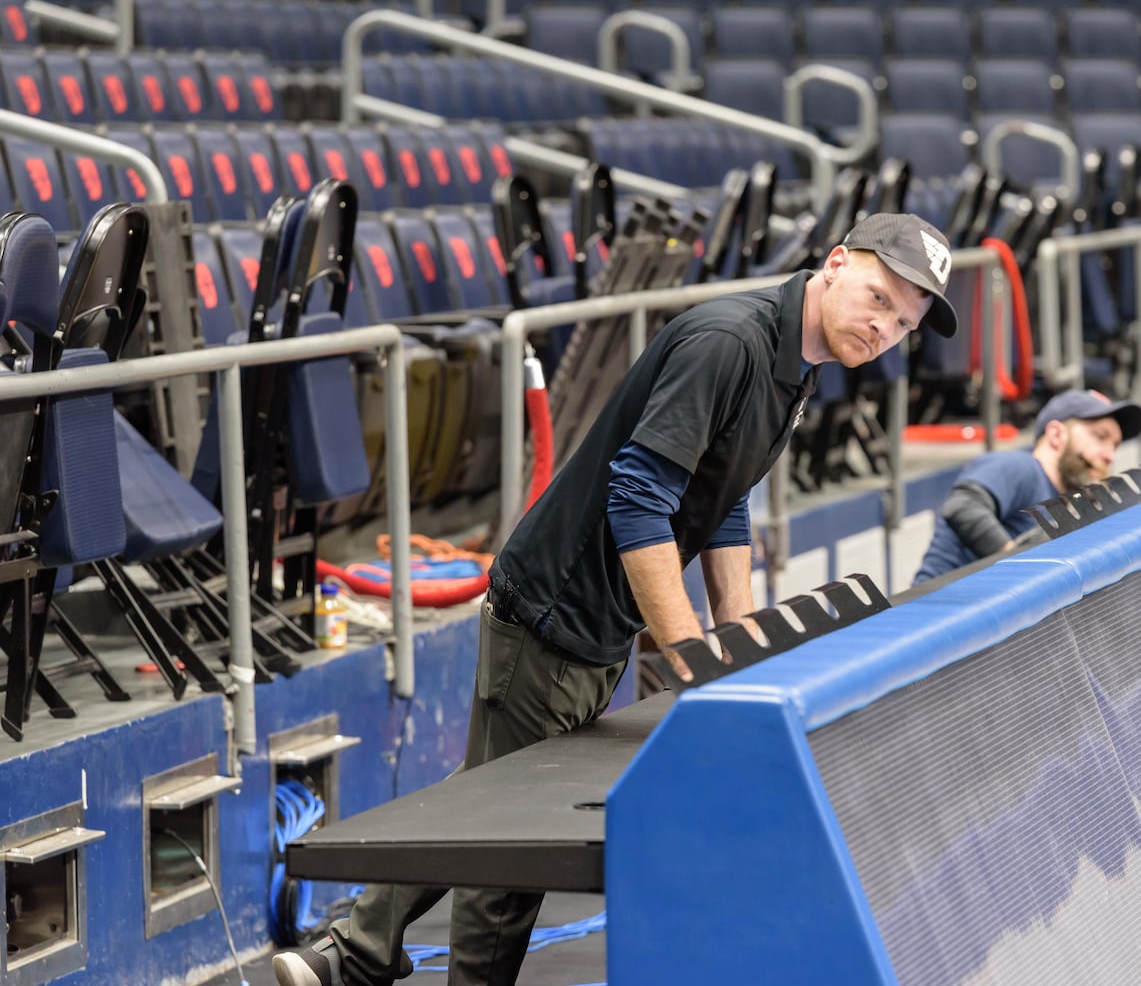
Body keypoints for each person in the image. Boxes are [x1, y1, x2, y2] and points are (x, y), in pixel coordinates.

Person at [272, 213, 960, 986]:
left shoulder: (797, 359)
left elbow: (720, 493)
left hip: (604, 620)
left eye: (903, 322)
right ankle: (367, 962)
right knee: (507, 855)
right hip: (555, 612)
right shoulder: (729, 343)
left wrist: (737, 641)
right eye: (878, 298)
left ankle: (353, 955)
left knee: (488, 796)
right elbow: (639, 499)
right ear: (835, 263)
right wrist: (694, 659)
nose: (884, 328)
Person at [912, 389, 1141, 583]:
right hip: (933, 616)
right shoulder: (1021, 467)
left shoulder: (1064, 501)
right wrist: (1019, 568)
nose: (1110, 456)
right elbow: (962, 506)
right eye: (1100, 436)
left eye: (1115, 445)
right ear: (1056, 435)